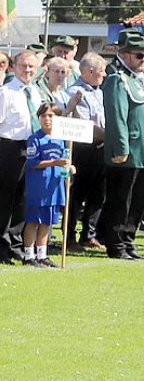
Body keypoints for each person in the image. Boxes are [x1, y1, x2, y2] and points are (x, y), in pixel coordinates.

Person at [0, 49, 51, 263]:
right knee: (4, 200)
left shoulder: (35, 91)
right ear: (14, 67)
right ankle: (0, 249)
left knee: (23, 200)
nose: (27, 70)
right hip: (9, 148)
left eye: (32, 66)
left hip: (32, 147)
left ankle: (17, 246)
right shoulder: (6, 92)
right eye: (23, 66)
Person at [100, 29, 144, 259]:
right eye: (139, 55)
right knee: (120, 201)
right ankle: (116, 244)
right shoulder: (117, 79)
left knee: (137, 201)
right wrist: (121, 148)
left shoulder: (137, 80)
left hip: (141, 152)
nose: (143, 60)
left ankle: (128, 241)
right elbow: (117, 116)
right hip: (127, 152)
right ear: (125, 55)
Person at [62, 52, 107, 249]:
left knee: (98, 193)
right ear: (90, 71)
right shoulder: (76, 92)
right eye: (102, 71)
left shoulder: (99, 92)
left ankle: (89, 233)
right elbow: (85, 123)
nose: (104, 75)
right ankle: (69, 234)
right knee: (77, 194)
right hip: (83, 148)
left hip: (100, 148)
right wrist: (109, 136)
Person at [22, 102, 70, 267]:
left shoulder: (60, 140)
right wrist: (54, 162)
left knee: (47, 222)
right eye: (43, 116)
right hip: (38, 186)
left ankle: (42, 254)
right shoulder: (35, 139)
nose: (47, 119)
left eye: (51, 116)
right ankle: (29, 255)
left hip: (54, 187)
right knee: (33, 220)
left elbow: (64, 161)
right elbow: (32, 163)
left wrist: (68, 167)